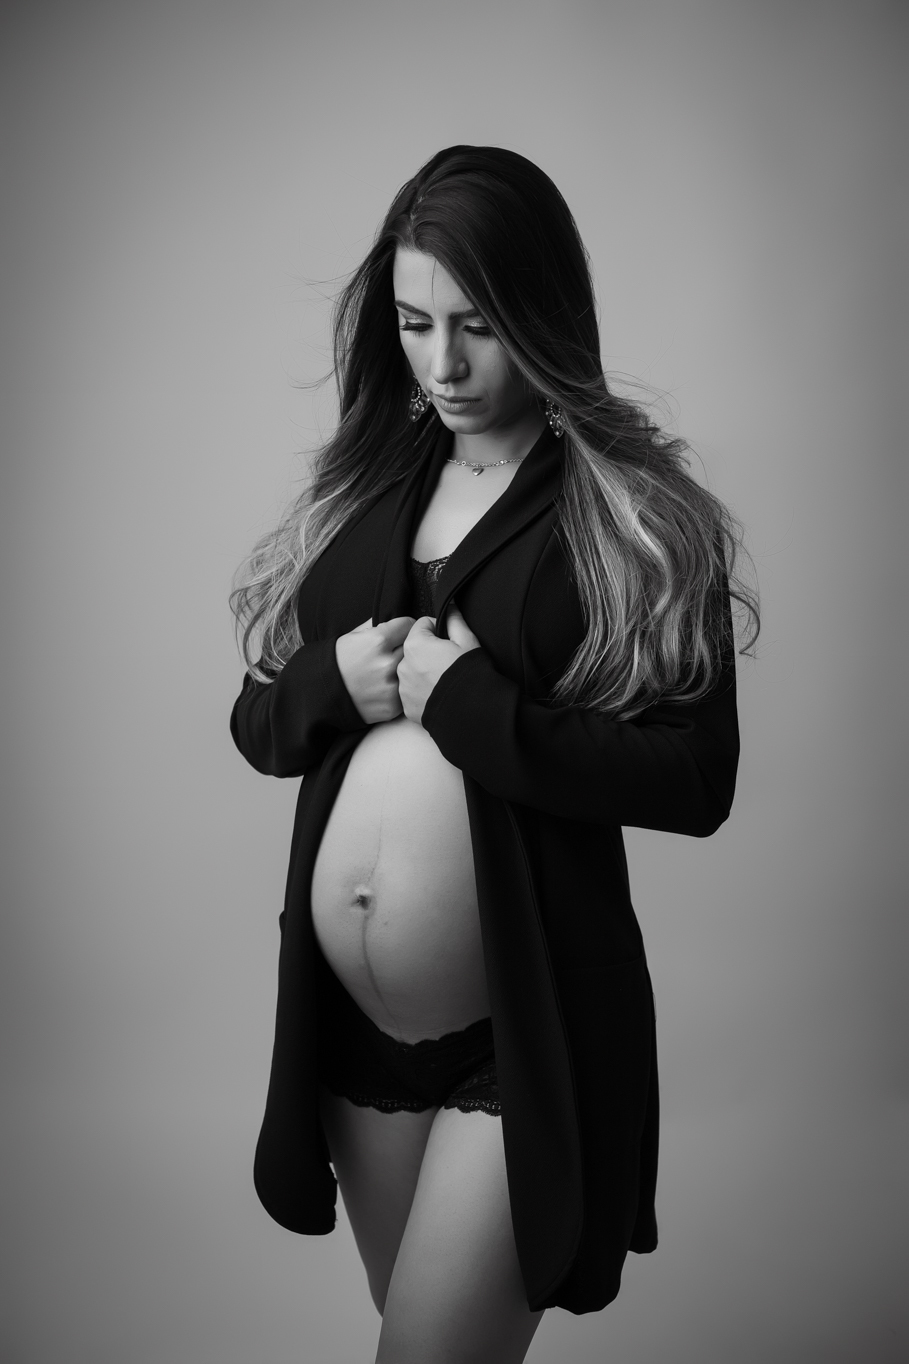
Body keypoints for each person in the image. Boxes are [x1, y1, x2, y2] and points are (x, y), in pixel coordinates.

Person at [229, 145, 758, 1364]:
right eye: (416, 324)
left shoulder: (629, 514)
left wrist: (475, 708)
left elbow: (696, 780)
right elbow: (257, 723)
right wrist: (333, 683)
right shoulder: (366, 488)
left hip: (523, 1032)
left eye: (477, 325)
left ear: (542, 311)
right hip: (352, 1041)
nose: (445, 365)